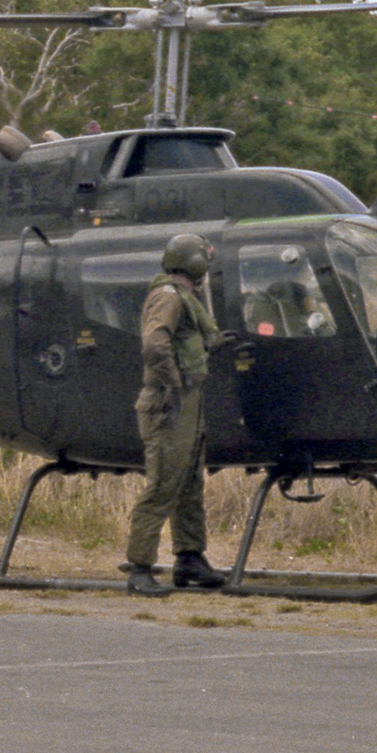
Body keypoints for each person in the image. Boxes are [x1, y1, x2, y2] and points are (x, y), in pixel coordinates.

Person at [125, 234, 235, 597]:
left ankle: (189, 558)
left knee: (189, 483)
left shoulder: (183, 297)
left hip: (187, 402)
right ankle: (139, 568)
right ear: (196, 264)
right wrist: (173, 383)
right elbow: (155, 344)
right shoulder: (169, 297)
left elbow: (179, 342)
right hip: (169, 402)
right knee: (162, 485)